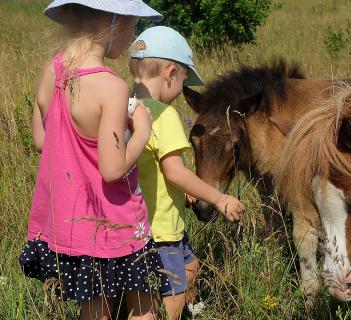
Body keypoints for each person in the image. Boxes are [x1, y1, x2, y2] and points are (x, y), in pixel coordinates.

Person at [20, 1, 170, 319]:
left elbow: (40, 141)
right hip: (117, 221)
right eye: (132, 25)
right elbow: (112, 168)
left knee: (95, 307)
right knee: (143, 306)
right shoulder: (111, 86)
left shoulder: (52, 70)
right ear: (114, 22)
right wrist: (142, 130)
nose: (133, 36)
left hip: (72, 222)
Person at [128, 26, 245, 319]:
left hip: (136, 226)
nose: (183, 90)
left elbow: (149, 168)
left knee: (189, 269)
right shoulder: (164, 116)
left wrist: (185, 190)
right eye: (183, 80)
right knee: (173, 294)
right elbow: (174, 171)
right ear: (169, 73)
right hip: (163, 230)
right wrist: (219, 199)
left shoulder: (125, 109)